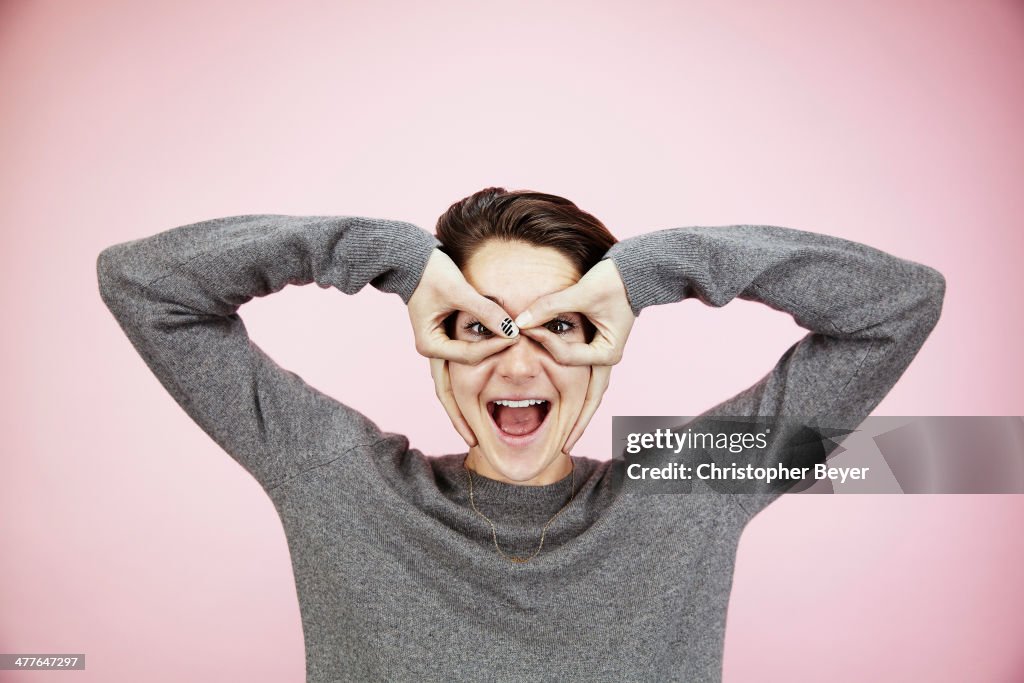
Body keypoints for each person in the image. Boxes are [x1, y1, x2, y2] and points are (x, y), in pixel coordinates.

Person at [96, 187, 945, 682]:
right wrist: (382, 256)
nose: (517, 363)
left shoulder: (688, 484)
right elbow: (141, 284)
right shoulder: (341, 482)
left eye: (562, 326)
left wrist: (651, 272)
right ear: (434, 345)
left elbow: (897, 304)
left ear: (605, 347)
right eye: (477, 327)